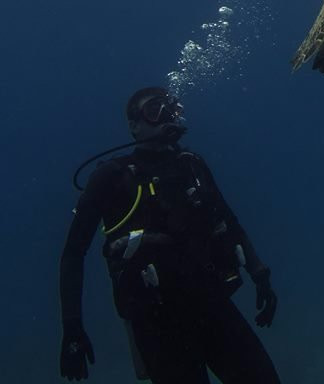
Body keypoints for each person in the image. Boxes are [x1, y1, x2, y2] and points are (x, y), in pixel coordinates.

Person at [59, 87, 282, 383]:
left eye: (171, 109)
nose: (167, 116)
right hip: (156, 321)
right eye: (155, 110)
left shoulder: (192, 165)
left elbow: (229, 220)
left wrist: (260, 274)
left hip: (211, 302)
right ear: (134, 126)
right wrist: (72, 328)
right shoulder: (112, 176)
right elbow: (74, 253)